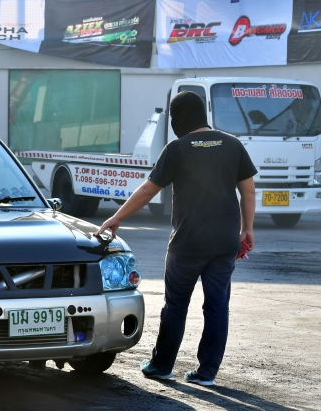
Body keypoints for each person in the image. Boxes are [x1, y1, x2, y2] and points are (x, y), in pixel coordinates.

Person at [95, 91, 257, 387]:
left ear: (178, 117)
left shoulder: (177, 148)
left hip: (187, 245)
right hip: (224, 244)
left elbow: (148, 190)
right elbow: (248, 191)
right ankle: (206, 373)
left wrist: (117, 217)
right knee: (217, 307)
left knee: (176, 305)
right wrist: (247, 229)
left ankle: (162, 365)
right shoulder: (233, 144)